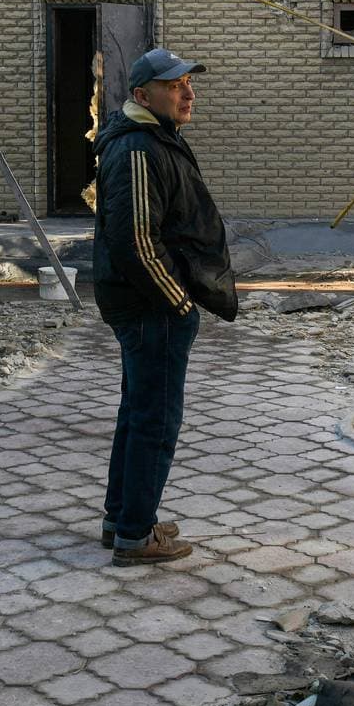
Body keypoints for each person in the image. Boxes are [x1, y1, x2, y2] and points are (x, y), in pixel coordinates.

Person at [91, 48, 238, 566]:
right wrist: (178, 303)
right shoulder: (137, 149)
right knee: (156, 420)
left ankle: (123, 517)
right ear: (142, 95)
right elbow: (136, 241)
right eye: (174, 85)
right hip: (151, 307)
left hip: (149, 305)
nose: (188, 93)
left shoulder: (153, 139)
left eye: (188, 84)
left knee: (138, 413)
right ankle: (136, 535)